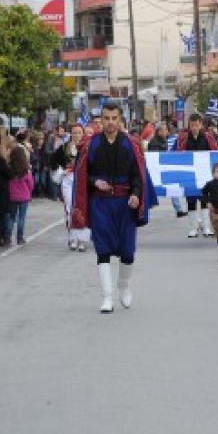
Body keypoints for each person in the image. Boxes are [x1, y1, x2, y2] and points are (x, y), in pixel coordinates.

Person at [71, 103, 154, 313]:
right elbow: (82, 175)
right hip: (100, 203)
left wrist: (136, 194)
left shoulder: (131, 144)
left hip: (125, 203)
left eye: (114, 118)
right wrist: (95, 182)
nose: (110, 122)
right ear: (101, 120)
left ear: (120, 120)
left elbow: (139, 175)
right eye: (106, 118)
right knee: (103, 249)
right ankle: (107, 297)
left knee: (128, 252)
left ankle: (123, 286)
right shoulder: (91, 145)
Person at [177, 114, 218, 238]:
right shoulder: (184, 138)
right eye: (192, 125)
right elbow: (178, 153)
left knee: (205, 200)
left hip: (204, 174)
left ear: (201, 125)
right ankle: (193, 228)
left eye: (196, 125)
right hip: (189, 174)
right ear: (189, 125)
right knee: (191, 201)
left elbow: (214, 152)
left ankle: (206, 227)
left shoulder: (208, 137)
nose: (194, 128)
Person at [53, 124, 90, 252]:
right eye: (74, 133)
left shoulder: (87, 148)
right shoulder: (64, 148)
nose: (77, 135)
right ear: (71, 134)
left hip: (83, 181)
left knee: (83, 209)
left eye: (79, 133)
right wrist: (62, 170)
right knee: (70, 209)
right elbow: (52, 161)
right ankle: (73, 238)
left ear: (83, 133)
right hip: (68, 181)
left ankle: (82, 240)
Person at [7, 141, 35, 245]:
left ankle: (8, 237)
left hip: (12, 196)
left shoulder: (9, 169)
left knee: (11, 217)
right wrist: (29, 192)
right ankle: (19, 237)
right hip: (24, 197)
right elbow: (31, 184)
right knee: (21, 217)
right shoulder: (26, 171)